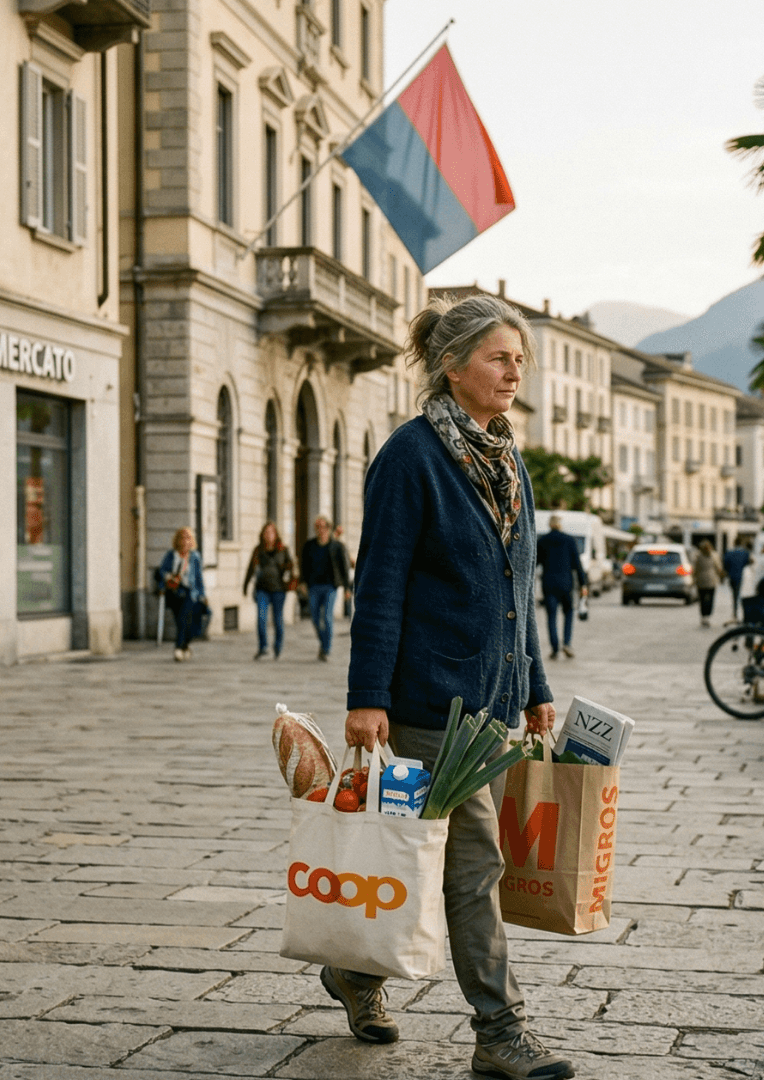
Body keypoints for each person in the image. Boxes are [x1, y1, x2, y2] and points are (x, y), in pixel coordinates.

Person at [339, 293, 574, 1080]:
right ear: (452, 366)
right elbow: (381, 586)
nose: (515, 372)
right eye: (500, 358)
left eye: (519, 360)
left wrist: (536, 683)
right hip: (431, 700)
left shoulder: (506, 456)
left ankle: (354, 971)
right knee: (475, 863)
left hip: (496, 702)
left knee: (430, 859)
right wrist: (366, 697)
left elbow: (520, 588)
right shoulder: (411, 458)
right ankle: (499, 1031)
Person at [299, 515, 352, 661]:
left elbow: (344, 568)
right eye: (317, 527)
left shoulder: (337, 546)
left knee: (327, 618)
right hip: (314, 587)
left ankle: (326, 650)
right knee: (315, 618)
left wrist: (348, 588)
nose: (320, 530)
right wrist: (302, 582)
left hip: (330, 587)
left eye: (323, 527)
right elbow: (303, 566)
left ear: (329, 528)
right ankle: (323, 644)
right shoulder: (309, 546)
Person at [535, 513, 586, 660]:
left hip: (549, 584)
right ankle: (567, 643)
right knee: (568, 612)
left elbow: (535, 563)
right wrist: (583, 583)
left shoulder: (543, 541)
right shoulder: (569, 540)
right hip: (566, 584)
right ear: (560, 524)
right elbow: (577, 564)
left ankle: (555, 647)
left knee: (551, 616)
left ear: (549, 524)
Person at [243, 522, 294, 660]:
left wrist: (290, 581)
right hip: (262, 589)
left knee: (278, 620)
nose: (269, 535)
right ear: (262, 534)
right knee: (261, 618)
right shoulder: (258, 550)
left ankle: (278, 647)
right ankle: (263, 647)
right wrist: (245, 585)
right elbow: (250, 568)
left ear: (276, 535)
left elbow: (290, 567)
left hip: (278, 590)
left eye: (271, 532)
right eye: (266, 532)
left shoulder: (283, 550)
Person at [155, 527, 206, 661]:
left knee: (185, 618)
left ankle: (178, 648)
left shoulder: (195, 557)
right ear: (177, 540)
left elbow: (199, 577)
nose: (184, 541)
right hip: (174, 591)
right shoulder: (171, 555)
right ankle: (185, 647)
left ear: (191, 541)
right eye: (182, 538)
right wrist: (168, 577)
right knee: (180, 621)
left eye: (188, 538)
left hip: (190, 591)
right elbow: (161, 571)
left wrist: (203, 595)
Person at [693, 538, 725, 628]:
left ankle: (703, 616)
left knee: (702, 599)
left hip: (701, 580)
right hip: (711, 580)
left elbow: (695, 569)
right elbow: (718, 567)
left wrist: (694, 578)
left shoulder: (698, 556)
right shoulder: (714, 555)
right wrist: (721, 576)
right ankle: (707, 616)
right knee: (710, 599)